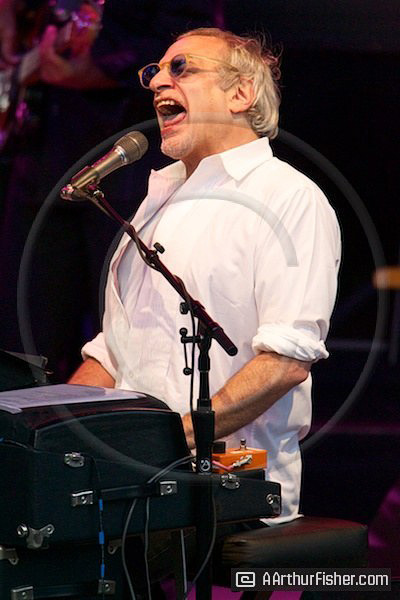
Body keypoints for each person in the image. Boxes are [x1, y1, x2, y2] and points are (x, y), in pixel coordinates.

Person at [69, 27, 341, 525]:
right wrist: (61, 431)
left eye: (181, 68)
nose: (158, 82)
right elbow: (115, 352)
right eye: (154, 72)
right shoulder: (155, 202)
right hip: (133, 488)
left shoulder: (288, 198)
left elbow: (286, 361)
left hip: (232, 498)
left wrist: (164, 443)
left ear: (241, 94)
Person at [0, 0, 215, 381]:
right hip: (41, 153)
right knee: (23, 335)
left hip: (130, 157)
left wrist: (99, 69)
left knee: (126, 323)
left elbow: (194, 47)